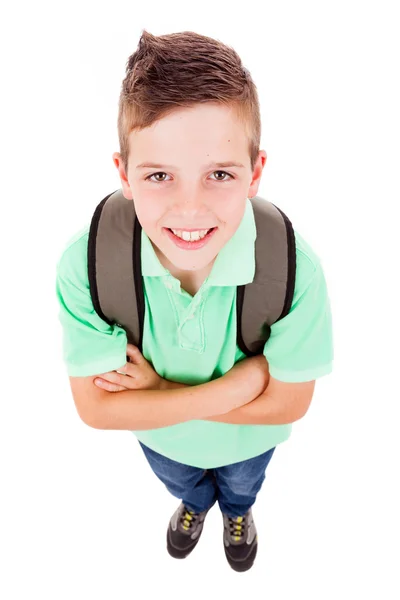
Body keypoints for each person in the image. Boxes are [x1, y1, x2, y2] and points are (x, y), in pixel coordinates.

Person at [55, 29, 333, 573]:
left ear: (255, 173)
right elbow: (94, 409)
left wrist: (158, 393)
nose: (189, 209)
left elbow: (292, 404)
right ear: (124, 174)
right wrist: (242, 382)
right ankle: (194, 505)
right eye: (159, 175)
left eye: (220, 175)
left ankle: (237, 512)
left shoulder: (292, 266)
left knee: (242, 485)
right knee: (181, 481)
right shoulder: (87, 264)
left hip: (248, 445)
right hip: (164, 446)